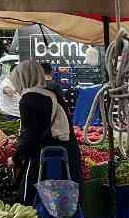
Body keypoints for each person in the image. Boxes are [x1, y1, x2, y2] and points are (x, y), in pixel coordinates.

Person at [12, 59, 84, 202]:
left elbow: (30, 136)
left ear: (22, 78)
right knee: (63, 201)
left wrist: (16, 158)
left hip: (45, 157)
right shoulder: (51, 94)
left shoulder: (30, 98)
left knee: (32, 199)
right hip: (67, 153)